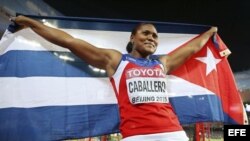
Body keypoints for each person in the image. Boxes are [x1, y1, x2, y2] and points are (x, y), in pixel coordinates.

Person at [11, 15, 217, 141]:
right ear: (132, 38)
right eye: (146, 33)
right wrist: (31, 23)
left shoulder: (162, 63)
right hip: (136, 136)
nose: (151, 38)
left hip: (173, 133)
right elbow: (70, 42)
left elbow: (193, 48)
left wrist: (210, 33)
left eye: (155, 36)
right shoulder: (116, 60)